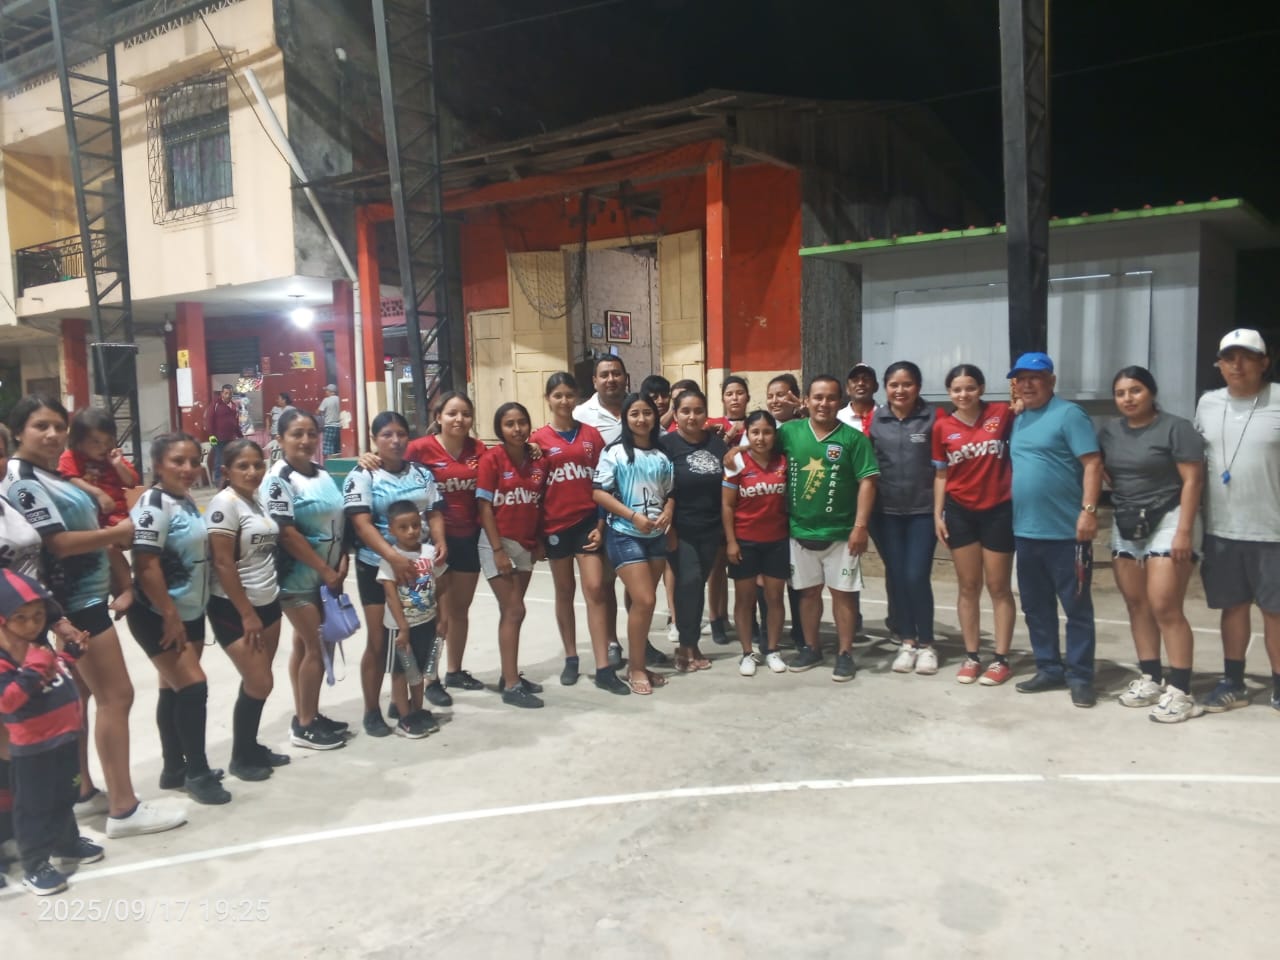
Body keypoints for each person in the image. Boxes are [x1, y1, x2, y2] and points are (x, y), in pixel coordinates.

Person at [3, 397, 185, 838]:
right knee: (116, 696)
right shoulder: (24, 480)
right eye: (40, 426)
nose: (52, 434)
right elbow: (59, 544)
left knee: (80, 699)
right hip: (74, 601)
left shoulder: (49, 474)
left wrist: (118, 572)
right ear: (19, 431)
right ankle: (124, 808)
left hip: (76, 600)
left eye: (57, 426)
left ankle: (83, 789)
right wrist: (117, 533)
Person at [127, 432, 230, 804]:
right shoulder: (153, 504)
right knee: (193, 687)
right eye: (178, 461)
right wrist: (170, 615)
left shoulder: (183, 499)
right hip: (158, 613)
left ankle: (173, 768)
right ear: (158, 465)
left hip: (189, 610)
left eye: (193, 461)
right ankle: (197, 772)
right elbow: (145, 565)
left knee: (173, 688)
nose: (188, 468)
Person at [1098, 366, 1205, 722]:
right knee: (1136, 603)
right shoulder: (1109, 432)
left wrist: (1184, 531)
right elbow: (1102, 470)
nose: (1128, 398)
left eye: (1136, 390)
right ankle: (1151, 678)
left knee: (1164, 605)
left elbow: (1192, 481)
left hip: (1170, 516)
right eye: (1121, 393)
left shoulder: (1176, 428)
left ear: (1152, 393)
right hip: (1128, 520)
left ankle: (1182, 690)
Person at [1008, 352, 1104, 708]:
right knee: (1036, 608)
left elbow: (1093, 463)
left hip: (1066, 534)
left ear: (1051, 380)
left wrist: (1089, 511)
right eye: (1021, 379)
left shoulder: (1069, 414)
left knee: (1076, 609)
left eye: (1035, 377)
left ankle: (1080, 677)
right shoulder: (1019, 418)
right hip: (1026, 532)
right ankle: (1049, 668)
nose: (1027, 384)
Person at [1193, 328, 1280, 713]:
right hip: (1222, 529)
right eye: (1229, 357)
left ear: (1265, 362)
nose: (1237, 364)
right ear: (1219, 364)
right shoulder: (1208, 404)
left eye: (1247, 357)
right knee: (1233, 607)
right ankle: (1234, 682)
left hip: (1274, 530)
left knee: (1276, 612)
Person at [0, 570, 103, 896]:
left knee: (64, 796)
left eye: (38, 615)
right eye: (21, 617)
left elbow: (52, 672)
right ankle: (35, 865)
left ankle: (66, 842)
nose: (32, 624)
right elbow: (8, 700)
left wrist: (69, 656)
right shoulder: (7, 659)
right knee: (34, 807)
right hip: (34, 749)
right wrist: (34, 669)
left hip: (64, 738)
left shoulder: (35, 648)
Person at [345, 411, 447, 736]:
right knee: (379, 642)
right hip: (378, 568)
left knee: (416, 640)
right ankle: (371, 710)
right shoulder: (362, 475)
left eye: (401, 433)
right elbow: (361, 523)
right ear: (374, 439)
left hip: (417, 571)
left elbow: (434, 511)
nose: (395, 440)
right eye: (387, 435)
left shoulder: (421, 473)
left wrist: (440, 541)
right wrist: (393, 557)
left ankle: (402, 704)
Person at [779, 375, 879, 681]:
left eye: (831, 398)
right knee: (808, 594)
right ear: (806, 401)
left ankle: (845, 653)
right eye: (818, 397)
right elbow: (759, 449)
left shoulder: (854, 439)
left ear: (840, 401)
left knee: (843, 595)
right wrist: (735, 451)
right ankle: (811, 648)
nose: (824, 403)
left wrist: (860, 526)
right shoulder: (789, 432)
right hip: (799, 531)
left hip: (841, 535)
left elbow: (868, 482)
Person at [264, 410, 349, 751]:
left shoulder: (322, 473)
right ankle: (305, 726)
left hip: (326, 578)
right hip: (296, 579)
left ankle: (307, 713)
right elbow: (286, 533)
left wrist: (341, 560)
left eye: (311, 433)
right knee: (317, 646)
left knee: (304, 645)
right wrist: (325, 570)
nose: (305, 440)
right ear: (280, 439)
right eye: (296, 434)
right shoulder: (278, 479)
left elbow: (339, 520)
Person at [206, 439, 291, 778]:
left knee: (258, 682)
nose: (253, 471)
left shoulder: (256, 501)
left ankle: (250, 747)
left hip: (267, 601)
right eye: (243, 466)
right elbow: (223, 563)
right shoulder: (225, 504)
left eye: (258, 464)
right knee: (260, 682)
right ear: (226, 471)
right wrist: (246, 613)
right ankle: (240, 758)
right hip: (235, 608)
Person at [531, 373, 620, 690]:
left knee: (595, 588)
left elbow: (604, 482)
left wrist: (601, 523)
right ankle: (571, 657)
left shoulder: (591, 435)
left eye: (569, 395)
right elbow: (533, 490)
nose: (564, 401)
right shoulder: (537, 441)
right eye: (557, 395)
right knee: (565, 591)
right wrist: (537, 535)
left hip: (587, 522)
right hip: (555, 525)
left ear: (576, 398)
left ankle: (603, 666)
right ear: (548, 399)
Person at [932, 364, 1017, 685]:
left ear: (981, 388)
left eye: (969, 388)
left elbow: (1022, 411)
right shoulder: (942, 427)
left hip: (998, 510)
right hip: (960, 512)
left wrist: (1020, 402)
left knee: (999, 586)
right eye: (957, 389)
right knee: (968, 586)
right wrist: (937, 514)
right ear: (949, 392)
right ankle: (971, 656)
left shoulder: (1001, 414)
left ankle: (1001, 659)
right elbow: (941, 474)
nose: (963, 394)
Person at [406, 393, 487, 697]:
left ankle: (454, 671)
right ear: (438, 417)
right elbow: (389, 464)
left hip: (468, 538)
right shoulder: (419, 449)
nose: (459, 419)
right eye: (452, 413)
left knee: (459, 610)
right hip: (431, 540)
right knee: (434, 613)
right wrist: (368, 458)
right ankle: (431, 679)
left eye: (465, 414)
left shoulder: (479, 450)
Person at [592, 394, 674, 695]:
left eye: (647, 413)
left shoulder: (662, 454)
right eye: (635, 414)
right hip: (624, 534)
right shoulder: (614, 453)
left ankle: (640, 663)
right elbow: (599, 493)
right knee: (646, 600)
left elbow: (670, 491)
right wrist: (633, 516)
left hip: (656, 536)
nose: (642, 419)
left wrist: (668, 511)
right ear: (626, 419)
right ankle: (636, 668)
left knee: (642, 603)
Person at [869, 361, 940, 675]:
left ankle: (927, 644)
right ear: (886, 388)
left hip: (923, 512)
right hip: (886, 514)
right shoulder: (876, 420)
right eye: (894, 385)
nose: (900, 390)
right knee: (897, 577)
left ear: (918, 387)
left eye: (907, 384)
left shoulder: (934, 418)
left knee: (916, 576)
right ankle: (907, 641)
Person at [476, 402, 547, 707]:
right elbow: (484, 507)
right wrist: (497, 550)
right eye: (509, 424)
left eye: (522, 422)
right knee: (515, 610)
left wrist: (539, 540)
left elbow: (539, 502)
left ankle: (510, 675)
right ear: (499, 429)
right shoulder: (492, 459)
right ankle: (511, 685)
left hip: (525, 544)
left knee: (512, 613)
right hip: (498, 543)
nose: (517, 429)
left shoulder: (538, 461)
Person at [661, 387, 727, 672]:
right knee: (689, 580)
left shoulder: (717, 445)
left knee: (696, 585)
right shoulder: (666, 446)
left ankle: (691, 643)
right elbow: (661, 487)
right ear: (675, 414)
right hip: (680, 529)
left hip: (711, 529)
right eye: (685, 411)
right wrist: (669, 528)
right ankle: (686, 646)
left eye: (698, 411)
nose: (692, 416)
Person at [722, 410, 789, 676]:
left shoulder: (784, 461)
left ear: (775, 434)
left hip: (777, 541)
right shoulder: (736, 462)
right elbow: (727, 506)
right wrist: (731, 541)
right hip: (745, 541)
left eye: (767, 432)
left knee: (774, 599)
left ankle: (772, 649)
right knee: (744, 600)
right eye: (755, 432)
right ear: (747, 434)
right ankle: (747, 652)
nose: (761, 438)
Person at [573, 356, 629, 666]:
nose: (611, 380)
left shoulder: (636, 408)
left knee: (637, 582)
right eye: (604, 375)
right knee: (605, 583)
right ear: (594, 381)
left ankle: (641, 639)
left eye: (616, 374)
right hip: (600, 513)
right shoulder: (582, 414)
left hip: (637, 509)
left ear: (625, 378)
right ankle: (611, 642)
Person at [59, 408, 138, 615]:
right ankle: (117, 593)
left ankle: (127, 588)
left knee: (109, 546)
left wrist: (118, 465)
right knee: (102, 556)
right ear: (78, 441)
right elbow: (68, 477)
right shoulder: (71, 457)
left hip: (116, 517)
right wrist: (98, 493)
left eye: (107, 440)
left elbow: (132, 482)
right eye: (95, 442)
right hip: (88, 519)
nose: (103, 447)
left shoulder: (113, 457)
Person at [376, 501, 441, 739]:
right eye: (403, 527)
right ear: (391, 530)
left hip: (426, 621)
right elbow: (391, 595)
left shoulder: (429, 552)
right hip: (400, 628)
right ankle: (405, 718)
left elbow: (440, 585)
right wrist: (403, 627)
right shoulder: (391, 559)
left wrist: (441, 619)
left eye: (415, 525)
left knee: (419, 671)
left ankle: (418, 710)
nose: (411, 531)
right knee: (401, 673)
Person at [206, 384, 242, 484]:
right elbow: (209, 421)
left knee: (230, 459)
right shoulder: (215, 405)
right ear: (222, 393)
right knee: (219, 459)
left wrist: (240, 436)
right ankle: (218, 480)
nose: (228, 395)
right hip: (218, 438)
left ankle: (229, 478)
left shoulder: (234, 406)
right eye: (226, 393)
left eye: (230, 393)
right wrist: (212, 437)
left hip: (231, 438)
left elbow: (236, 423)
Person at [837, 363, 879, 435]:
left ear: (876, 386)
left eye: (866, 379)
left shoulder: (886, 416)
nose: (860, 383)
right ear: (847, 389)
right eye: (855, 380)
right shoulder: (838, 418)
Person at [318, 385, 342, 461]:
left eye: (327, 391)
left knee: (328, 448)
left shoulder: (326, 400)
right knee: (337, 448)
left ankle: (330, 463)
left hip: (329, 426)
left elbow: (319, 411)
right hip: (339, 426)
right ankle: (337, 463)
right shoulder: (339, 399)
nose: (326, 392)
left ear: (331, 392)